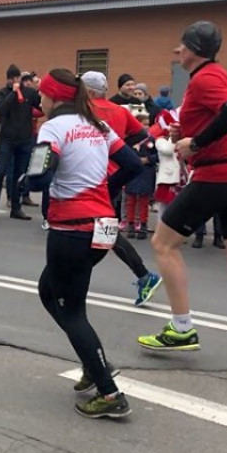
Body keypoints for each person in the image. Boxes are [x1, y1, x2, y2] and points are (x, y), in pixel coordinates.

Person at [136, 22, 227, 370]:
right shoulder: (217, 75)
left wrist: (195, 143)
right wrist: (189, 132)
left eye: (182, 46)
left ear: (194, 48)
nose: (177, 51)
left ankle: (182, 329)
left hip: (217, 176)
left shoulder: (206, 78)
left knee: (163, 243)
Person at [27, 69, 141, 419]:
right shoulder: (98, 125)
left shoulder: (52, 128)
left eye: (42, 96)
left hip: (72, 227)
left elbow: (37, 179)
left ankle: (108, 392)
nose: (40, 102)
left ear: (52, 96)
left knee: (72, 309)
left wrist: (39, 170)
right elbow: (133, 164)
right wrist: (108, 189)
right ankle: (92, 362)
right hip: (104, 225)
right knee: (49, 290)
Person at [81, 71, 162, 305]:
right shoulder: (120, 111)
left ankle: (144, 275)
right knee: (103, 229)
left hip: (90, 177)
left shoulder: (82, 111)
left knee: (100, 230)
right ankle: (143, 276)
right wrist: (121, 148)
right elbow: (142, 134)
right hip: (115, 175)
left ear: (87, 90)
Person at [0, 64, 39, 222]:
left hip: (24, 139)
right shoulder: (2, 93)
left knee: (19, 175)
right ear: (8, 79)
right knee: (0, 172)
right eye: (12, 78)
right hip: (7, 140)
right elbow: (2, 110)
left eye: (17, 78)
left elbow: (41, 104)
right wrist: (14, 93)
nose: (15, 81)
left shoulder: (29, 92)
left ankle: (16, 207)